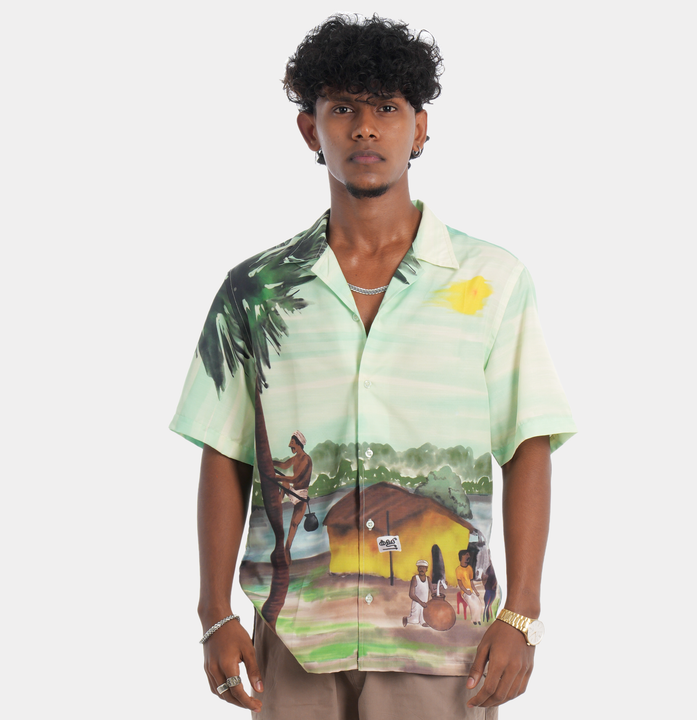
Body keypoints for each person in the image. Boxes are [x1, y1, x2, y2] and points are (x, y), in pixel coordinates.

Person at [170, 13, 576, 719]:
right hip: (294, 643)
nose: (365, 129)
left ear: (420, 129)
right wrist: (213, 613)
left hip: (445, 656)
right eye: (343, 109)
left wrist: (523, 613)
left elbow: (528, 444)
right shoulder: (255, 291)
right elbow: (224, 455)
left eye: (387, 108)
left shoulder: (492, 281)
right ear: (310, 130)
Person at [273, 432, 312, 563]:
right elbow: (284, 465)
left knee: (294, 524)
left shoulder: (306, 459)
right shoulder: (295, 458)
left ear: (299, 444)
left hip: (301, 496)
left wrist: (277, 477)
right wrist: (270, 463)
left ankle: (287, 550)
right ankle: (278, 503)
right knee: (284, 483)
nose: (290, 446)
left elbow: (296, 479)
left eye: (292, 443)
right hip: (293, 491)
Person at [456, 550, 483, 626]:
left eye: (468, 555)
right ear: (461, 557)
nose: (468, 557)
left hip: (470, 591)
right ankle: (474, 620)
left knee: (478, 603)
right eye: (466, 555)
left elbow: (471, 582)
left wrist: (476, 591)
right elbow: (460, 584)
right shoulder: (458, 569)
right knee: (473, 605)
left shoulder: (469, 568)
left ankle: (478, 619)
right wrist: (466, 591)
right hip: (464, 592)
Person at [403, 560, 433, 627]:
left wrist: (441, 587)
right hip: (417, 602)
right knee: (414, 621)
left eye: (424, 568)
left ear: (426, 569)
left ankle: (423, 622)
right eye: (420, 567)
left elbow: (433, 591)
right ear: (418, 569)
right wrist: (421, 602)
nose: (422, 569)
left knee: (424, 617)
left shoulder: (428, 579)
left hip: (425, 603)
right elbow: (411, 594)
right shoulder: (415, 578)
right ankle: (406, 619)